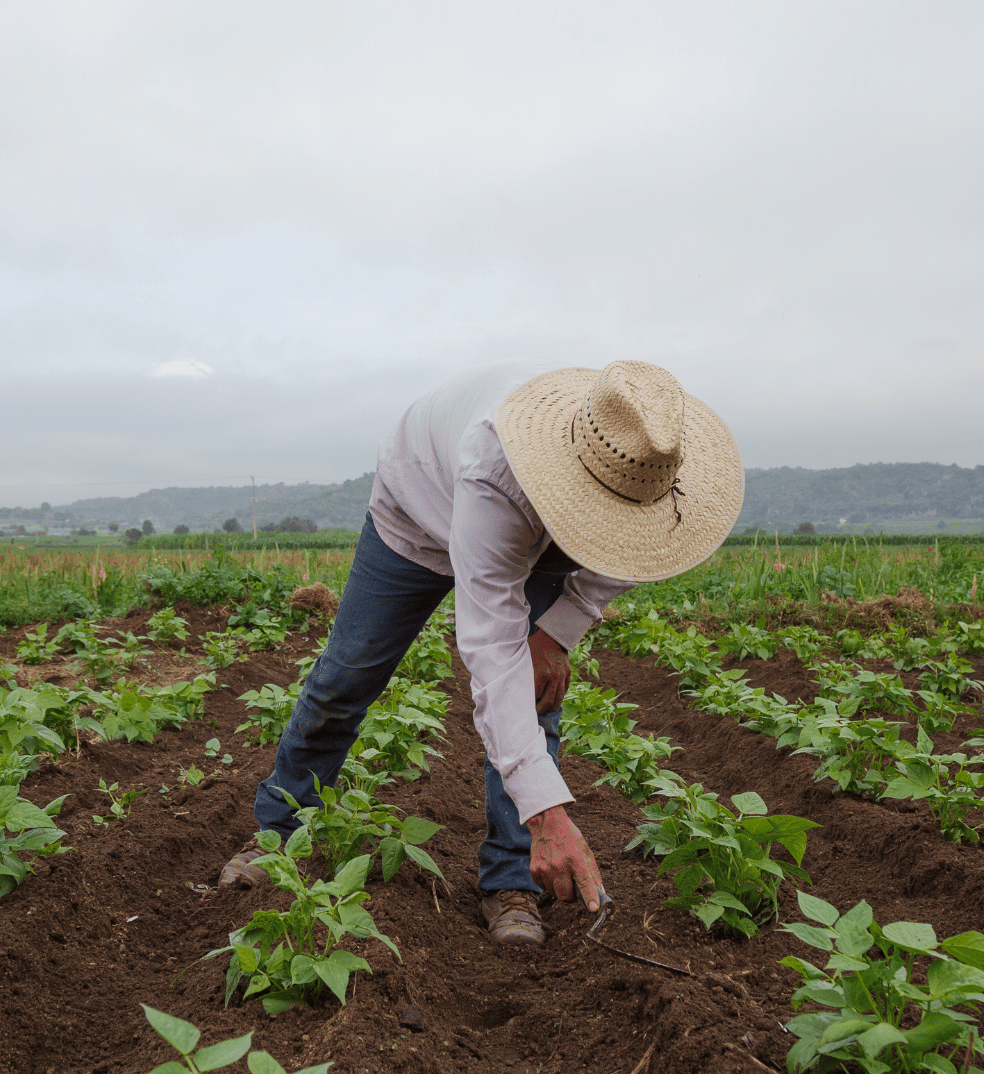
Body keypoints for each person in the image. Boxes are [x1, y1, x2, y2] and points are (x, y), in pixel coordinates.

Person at [217, 359, 743, 945]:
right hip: (419, 510)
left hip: (541, 534)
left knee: (537, 694)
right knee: (346, 678)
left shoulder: (651, 472)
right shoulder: (497, 469)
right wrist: (550, 815)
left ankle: (511, 879)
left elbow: (625, 562)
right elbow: (491, 654)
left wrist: (556, 634)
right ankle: (278, 833)